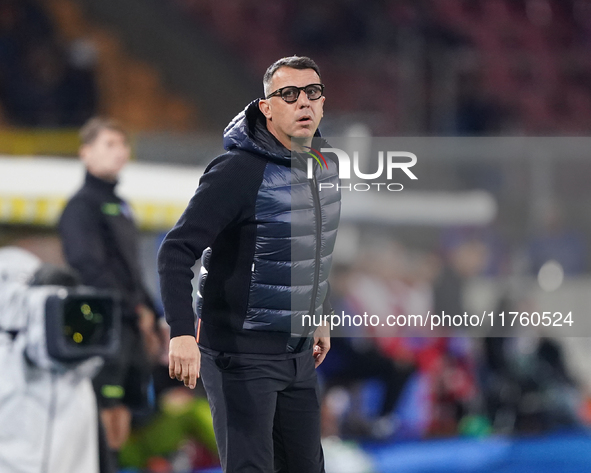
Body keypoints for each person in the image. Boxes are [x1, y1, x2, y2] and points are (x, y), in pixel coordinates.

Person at [158, 56, 341, 472]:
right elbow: (176, 251)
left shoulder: (321, 169)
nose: (303, 103)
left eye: (312, 93)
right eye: (288, 94)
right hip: (239, 356)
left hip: (296, 355)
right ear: (266, 107)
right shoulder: (237, 170)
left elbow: (311, 252)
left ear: (323, 103)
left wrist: (320, 312)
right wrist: (182, 334)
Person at [58, 118, 161, 464]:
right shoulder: (80, 207)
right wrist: (135, 309)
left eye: (123, 144)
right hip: (102, 326)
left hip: (130, 327)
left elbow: (130, 270)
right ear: (86, 153)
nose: (119, 152)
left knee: (124, 407)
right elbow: (88, 266)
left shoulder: (122, 206)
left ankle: (112, 463)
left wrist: (153, 313)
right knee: (103, 403)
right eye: (109, 144)